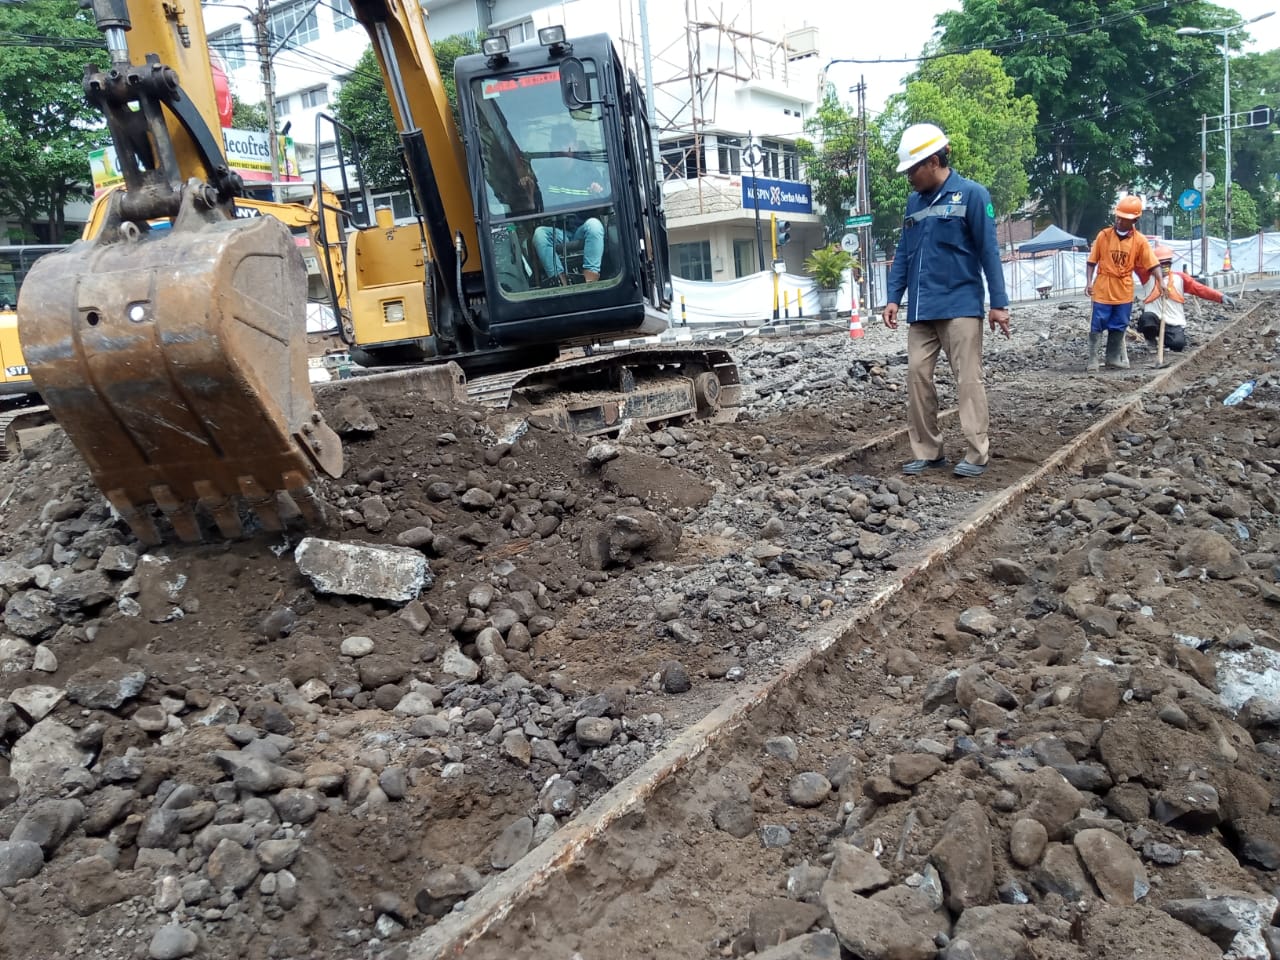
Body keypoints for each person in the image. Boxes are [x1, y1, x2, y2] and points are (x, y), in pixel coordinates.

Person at [882, 122, 1010, 479]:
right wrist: (894, 297)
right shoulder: (913, 203)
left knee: (968, 379)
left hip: (960, 306)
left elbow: (989, 251)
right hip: (922, 310)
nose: (908, 176)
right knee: (916, 376)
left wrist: (998, 303)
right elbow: (904, 254)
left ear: (934, 161)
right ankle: (928, 450)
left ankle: (977, 452)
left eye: (912, 169)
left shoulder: (972, 195)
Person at [1084, 196, 1162, 371]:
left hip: (1124, 288)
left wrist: (1161, 282)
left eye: (1123, 219)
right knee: (1097, 322)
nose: (1118, 221)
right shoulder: (1104, 236)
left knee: (1119, 323)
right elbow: (1091, 262)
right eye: (1117, 217)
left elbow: (1152, 263)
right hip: (1103, 287)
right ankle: (1093, 360)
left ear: (1134, 220)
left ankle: (1112, 358)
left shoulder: (1139, 241)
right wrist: (1089, 282)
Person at [526, 123, 607, 285]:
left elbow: (603, 205)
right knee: (540, 234)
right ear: (551, 146)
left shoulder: (588, 171)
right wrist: (529, 192)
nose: (562, 147)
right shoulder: (544, 175)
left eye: (565, 142)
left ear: (575, 145)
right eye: (557, 142)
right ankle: (562, 284)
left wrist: (598, 193)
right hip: (557, 232)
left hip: (581, 229)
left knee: (595, 226)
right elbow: (534, 209)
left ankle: (589, 283)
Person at [1135, 245, 1236, 351]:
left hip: (1173, 322)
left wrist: (1220, 297)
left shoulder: (1180, 278)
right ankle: (1151, 339)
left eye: (1167, 263)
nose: (1164, 267)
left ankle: (1165, 339)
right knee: (1146, 318)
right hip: (1155, 320)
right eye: (1161, 264)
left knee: (1178, 344)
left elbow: (1200, 289)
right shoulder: (1147, 277)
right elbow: (1135, 261)